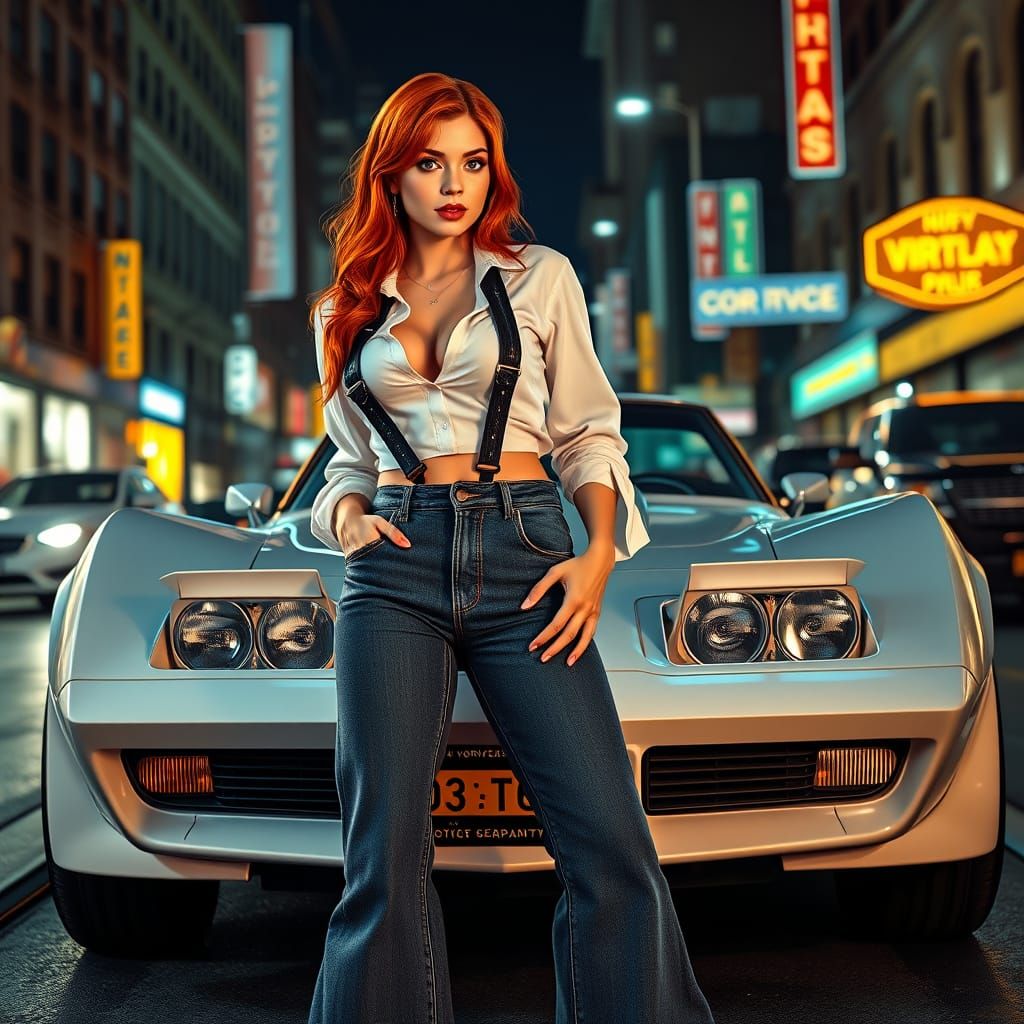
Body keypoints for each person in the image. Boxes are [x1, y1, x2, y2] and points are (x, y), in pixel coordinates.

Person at [306, 72, 716, 1024]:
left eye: (474, 162)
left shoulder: (542, 277)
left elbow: (587, 433)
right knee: (382, 853)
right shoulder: (345, 307)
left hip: (526, 549)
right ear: (391, 175)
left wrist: (599, 550)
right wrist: (351, 520)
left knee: (607, 837)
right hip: (392, 571)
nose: (456, 183)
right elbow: (344, 462)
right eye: (430, 162)